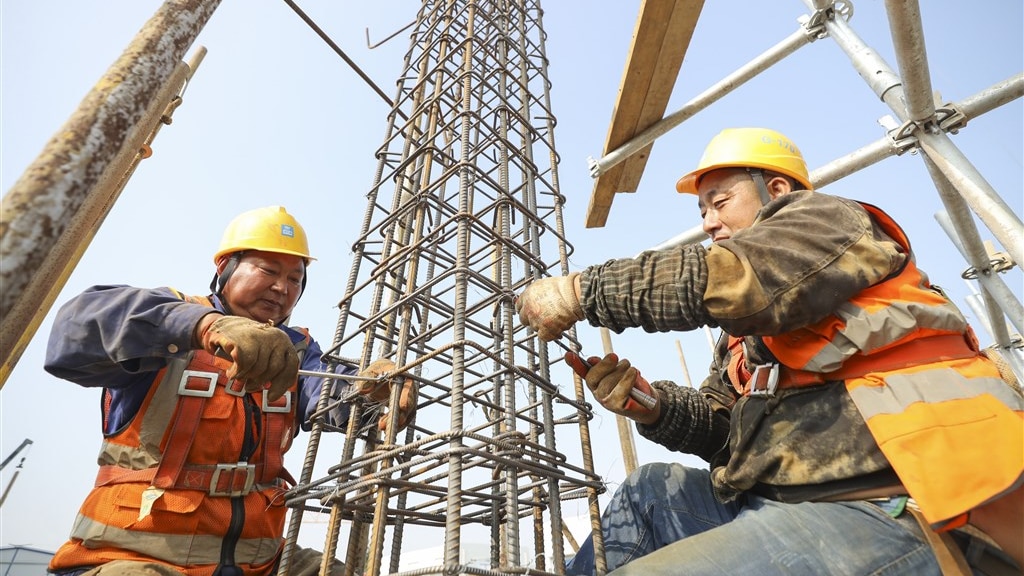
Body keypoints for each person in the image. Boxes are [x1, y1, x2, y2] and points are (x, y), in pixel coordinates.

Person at [516, 128, 1023, 575]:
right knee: (649, 491)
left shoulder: (829, 224)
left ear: (776, 189)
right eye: (703, 211)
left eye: (720, 201)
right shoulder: (746, 337)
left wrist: (581, 291)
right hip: (781, 502)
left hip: (898, 503)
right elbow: (722, 433)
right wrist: (652, 406)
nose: (710, 222)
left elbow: (728, 279)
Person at [44, 206, 418, 576]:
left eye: (294, 279)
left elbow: (327, 392)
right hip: (133, 554)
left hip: (257, 560)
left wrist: (372, 392)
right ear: (224, 269)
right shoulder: (171, 320)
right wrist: (204, 326)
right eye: (269, 270)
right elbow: (75, 328)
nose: (281, 287)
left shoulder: (296, 351)